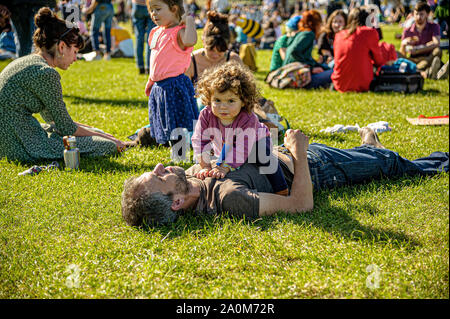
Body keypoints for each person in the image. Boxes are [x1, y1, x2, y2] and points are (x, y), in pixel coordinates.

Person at [121, 128, 449, 226]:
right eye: (159, 178)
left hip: (284, 154)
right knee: (391, 164)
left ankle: (367, 147)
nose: (160, 168)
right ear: (176, 202)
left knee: (374, 157)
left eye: (154, 170)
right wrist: (299, 151)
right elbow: (301, 204)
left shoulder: (191, 176)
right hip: (317, 169)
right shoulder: (230, 199)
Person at [0, 7, 130, 163]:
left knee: (96, 134)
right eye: (74, 52)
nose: (75, 59)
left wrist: (97, 132)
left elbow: (54, 121)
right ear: (61, 47)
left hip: (9, 137)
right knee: (107, 146)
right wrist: (111, 140)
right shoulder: (46, 73)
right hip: (18, 145)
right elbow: (66, 128)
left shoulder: (29, 62)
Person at [191, 61, 289, 195]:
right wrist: (205, 166)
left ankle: (281, 188)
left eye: (230, 101)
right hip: (226, 144)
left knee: (264, 158)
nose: (223, 107)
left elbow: (243, 147)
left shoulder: (248, 118)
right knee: (221, 156)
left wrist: (225, 167)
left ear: (243, 101)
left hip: (255, 142)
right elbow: (199, 140)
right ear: (209, 98)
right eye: (217, 100)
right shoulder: (206, 114)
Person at [144, 0, 198, 146]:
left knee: (178, 121)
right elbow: (156, 59)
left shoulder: (179, 32)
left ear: (174, 9)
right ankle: (171, 145)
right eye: (151, 10)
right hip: (159, 85)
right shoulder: (157, 31)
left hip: (174, 85)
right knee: (164, 119)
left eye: (158, 9)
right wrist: (151, 80)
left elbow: (191, 41)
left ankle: (180, 151)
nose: (153, 14)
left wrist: (189, 21)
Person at [331, 7, 392, 92]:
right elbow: (379, 61)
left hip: (340, 84)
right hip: (362, 83)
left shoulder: (339, 35)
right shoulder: (369, 32)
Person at [185, 11, 241, 85]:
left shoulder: (234, 60)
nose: (215, 54)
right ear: (203, 41)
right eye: (211, 49)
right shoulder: (191, 62)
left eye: (221, 50)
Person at [283, 10, 333, 89]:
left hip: (290, 75)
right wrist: (311, 69)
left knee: (326, 68)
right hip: (298, 77)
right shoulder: (308, 34)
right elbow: (294, 51)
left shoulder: (301, 32)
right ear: (316, 23)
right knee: (333, 72)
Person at [398, 1, 442, 79]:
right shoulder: (407, 30)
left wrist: (419, 49)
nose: (418, 17)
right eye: (416, 14)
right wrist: (403, 44)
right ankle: (427, 71)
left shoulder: (434, 26)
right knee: (395, 53)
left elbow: (436, 43)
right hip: (412, 59)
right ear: (413, 15)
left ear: (427, 15)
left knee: (437, 51)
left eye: (421, 14)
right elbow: (402, 54)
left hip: (427, 56)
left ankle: (418, 70)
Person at [132, 0, 155, 74]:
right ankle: (148, 67)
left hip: (137, 5)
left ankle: (140, 67)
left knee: (139, 38)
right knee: (150, 38)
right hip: (150, 4)